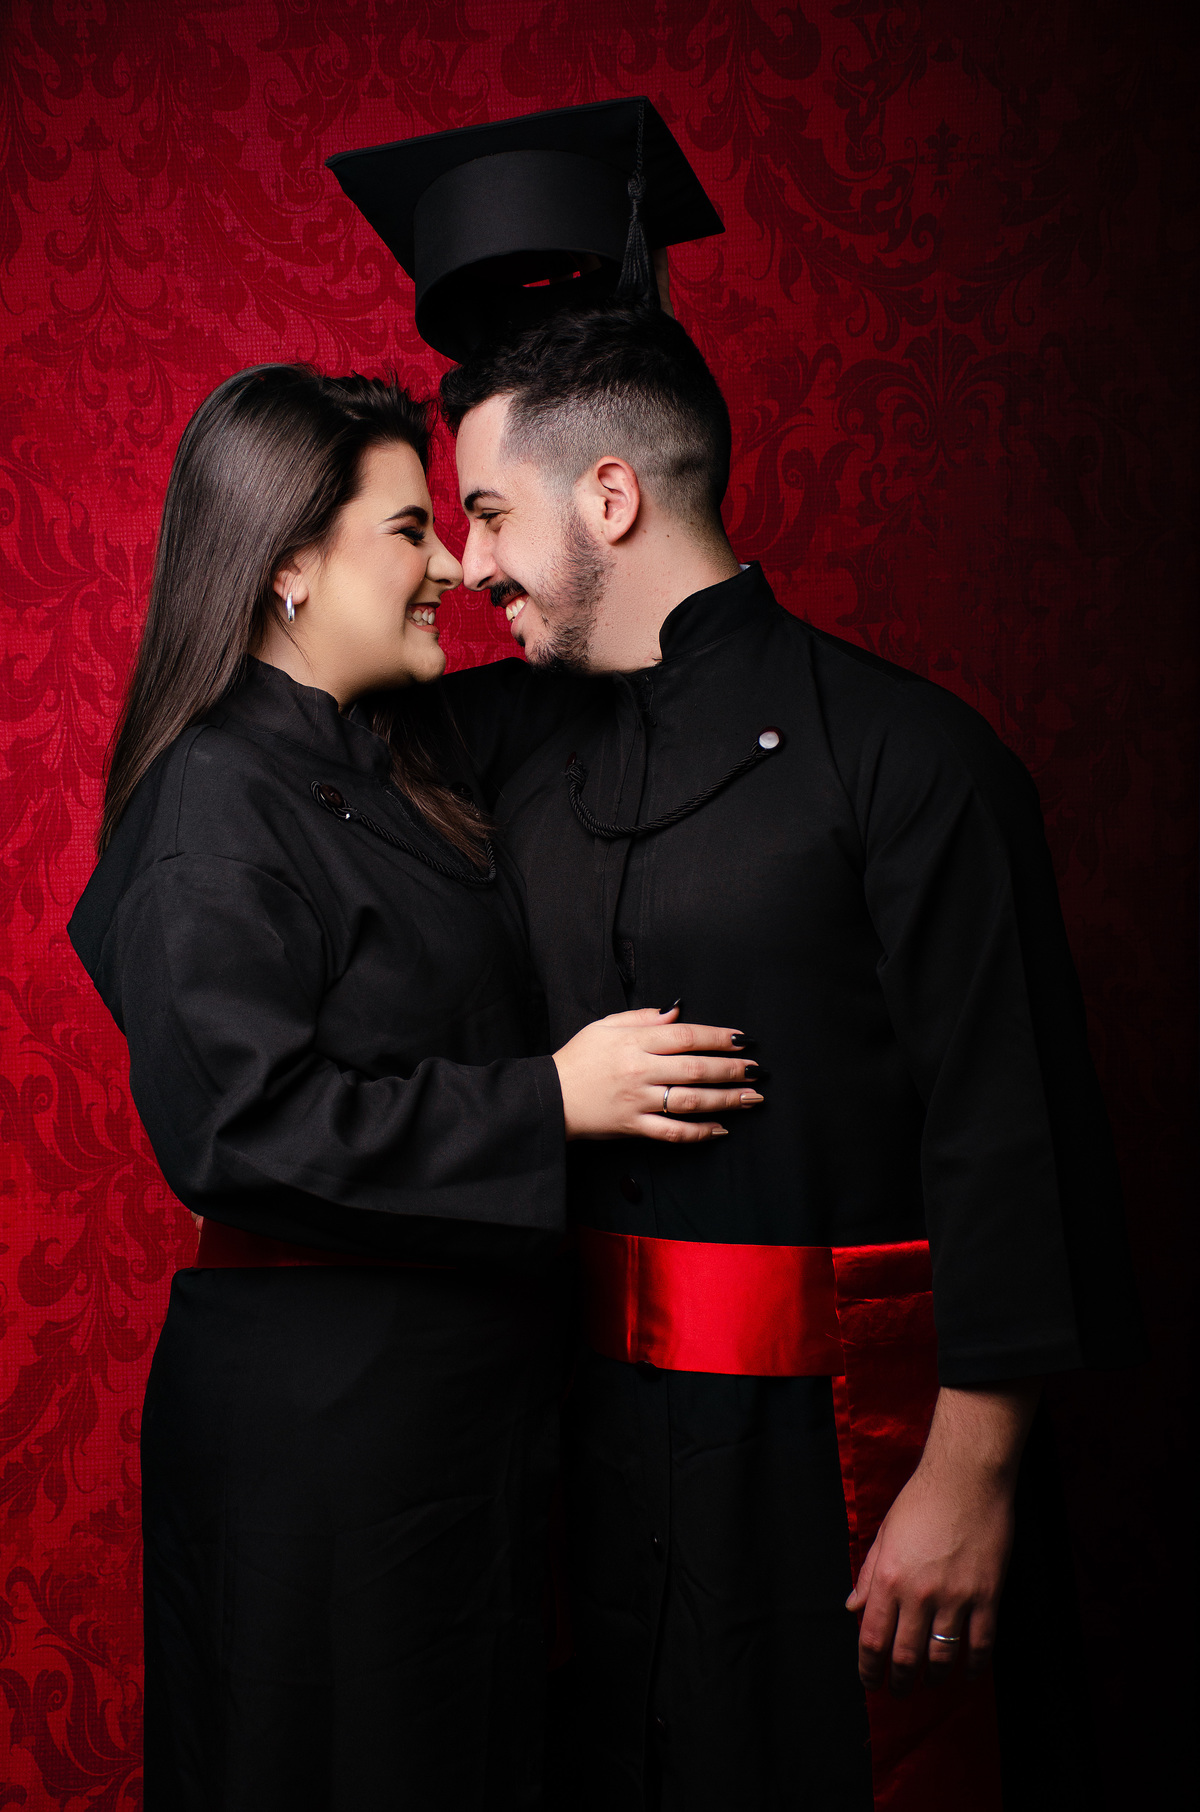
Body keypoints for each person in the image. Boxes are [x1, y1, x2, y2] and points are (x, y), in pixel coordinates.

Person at [428, 304, 1144, 1811]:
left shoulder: (914, 760)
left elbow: (1011, 1132)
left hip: (842, 1454)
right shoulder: (514, 750)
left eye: (488, 511)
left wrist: (969, 1478)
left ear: (609, 497)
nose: (468, 560)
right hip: (584, 1455)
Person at [66, 363, 760, 1812]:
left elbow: (600, 651)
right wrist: (549, 1101)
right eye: (408, 530)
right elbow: (239, 1126)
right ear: (288, 568)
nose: (451, 563)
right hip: (322, 1441)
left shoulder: (411, 746)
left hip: (462, 1418)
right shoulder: (213, 801)